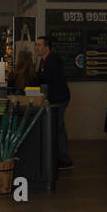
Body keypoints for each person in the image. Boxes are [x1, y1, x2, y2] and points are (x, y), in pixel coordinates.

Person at [36, 35, 73, 168]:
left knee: (57, 128)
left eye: (40, 45)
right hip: (55, 98)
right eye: (36, 45)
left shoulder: (52, 59)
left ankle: (64, 159)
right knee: (58, 127)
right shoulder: (44, 60)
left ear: (47, 47)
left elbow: (47, 78)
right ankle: (60, 157)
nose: (37, 48)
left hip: (59, 98)